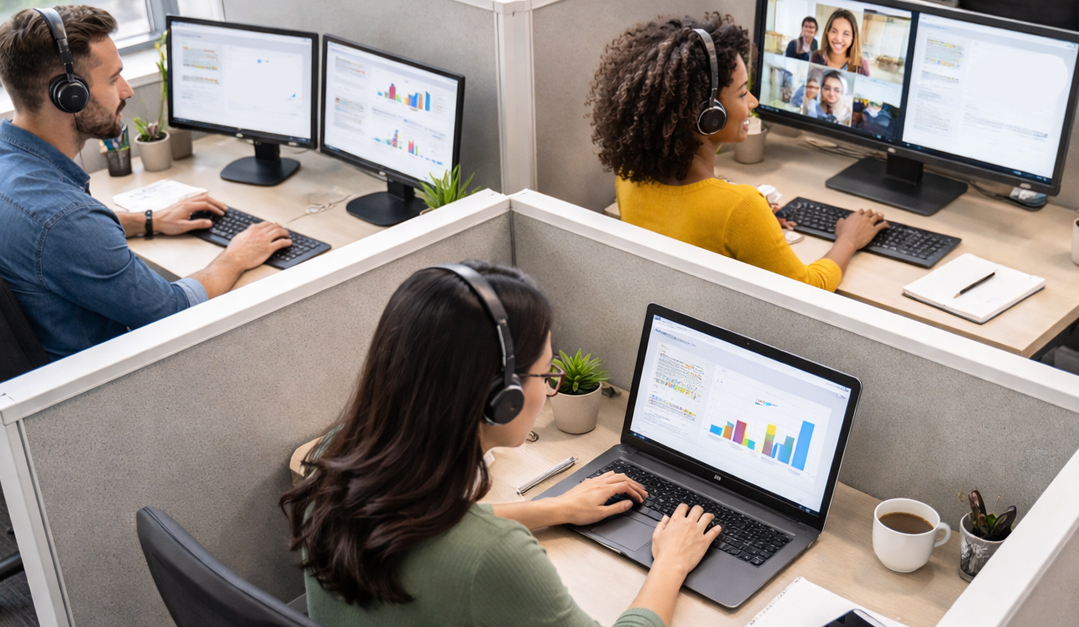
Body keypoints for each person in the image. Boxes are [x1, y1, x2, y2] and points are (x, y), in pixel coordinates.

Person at [281, 260, 723, 627]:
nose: (550, 388)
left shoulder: (332, 460)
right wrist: (672, 562)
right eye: (546, 373)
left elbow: (425, 524)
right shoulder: (494, 556)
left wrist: (555, 509)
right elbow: (464, 546)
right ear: (501, 398)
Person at [0, 6, 292, 360]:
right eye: (114, 78)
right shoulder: (64, 222)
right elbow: (172, 309)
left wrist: (148, 220)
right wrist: (234, 257)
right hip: (98, 393)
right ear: (70, 94)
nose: (128, 91)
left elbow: (35, 240)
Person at [589, 14, 888, 292]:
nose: (754, 102)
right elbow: (810, 288)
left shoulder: (628, 180)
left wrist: (758, 233)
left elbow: (690, 218)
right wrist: (849, 239)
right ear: (709, 115)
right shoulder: (740, 209)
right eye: (743, 93)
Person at [810, 9, 870, 76]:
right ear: (827, 33)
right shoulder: (816, 56)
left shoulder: (862, 64)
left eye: (846, 33)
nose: (838, 38)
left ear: (853, 38)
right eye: (834, 31)